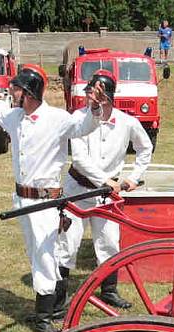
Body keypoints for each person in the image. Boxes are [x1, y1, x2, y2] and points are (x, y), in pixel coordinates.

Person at [0, 57, 106, 332]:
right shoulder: (15, 118)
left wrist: (94, 106)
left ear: (29, 92)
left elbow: (85, 125)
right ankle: (48, 308)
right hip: (22, 200)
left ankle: (45, 317)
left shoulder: (58, 119)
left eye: (16, 89)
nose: (12, 93)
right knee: (35, 255)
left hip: (45, 202)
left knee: (46, 256)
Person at [59, 70, 153, 309]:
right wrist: (105, 180)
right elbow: (79, 159)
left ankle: (109, 291)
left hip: (106, 195)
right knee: (68, 243)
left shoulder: (127, 122)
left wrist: (133, 177)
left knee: (109, 242)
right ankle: (58, 299)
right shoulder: (77, 119)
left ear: (108, 97)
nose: (91, 97)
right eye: (90, 92)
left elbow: (145, 148)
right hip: (77, 189)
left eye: (97, 94)